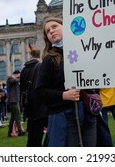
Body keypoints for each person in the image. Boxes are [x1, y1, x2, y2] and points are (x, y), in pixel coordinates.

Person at [35, 17, 97, 147]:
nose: (51, 31)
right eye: (47, 31)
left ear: (65, 27)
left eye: (54, 26)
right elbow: (40, 92)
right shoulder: (49, 60)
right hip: (64, 116)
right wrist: (64, 95)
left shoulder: (82, 51)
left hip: (87, 113)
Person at [20, 48, 48, 147]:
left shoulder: (24, 69)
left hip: (29, 104)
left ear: (31, 56)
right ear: (39, 56)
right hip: (40, 104)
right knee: (40, 132)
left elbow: (22, 88)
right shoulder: (41, 66)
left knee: (32, 131)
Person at [6, 70, 26, 137]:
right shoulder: (10, 79)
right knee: (18, 116)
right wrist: (21, 77)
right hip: (13, 101)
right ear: (16, 74)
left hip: (14, 101)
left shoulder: (14, 80)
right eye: (18, 75)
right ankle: (20, 131)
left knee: (13, 117)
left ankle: (10, 132)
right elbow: (14, 81)